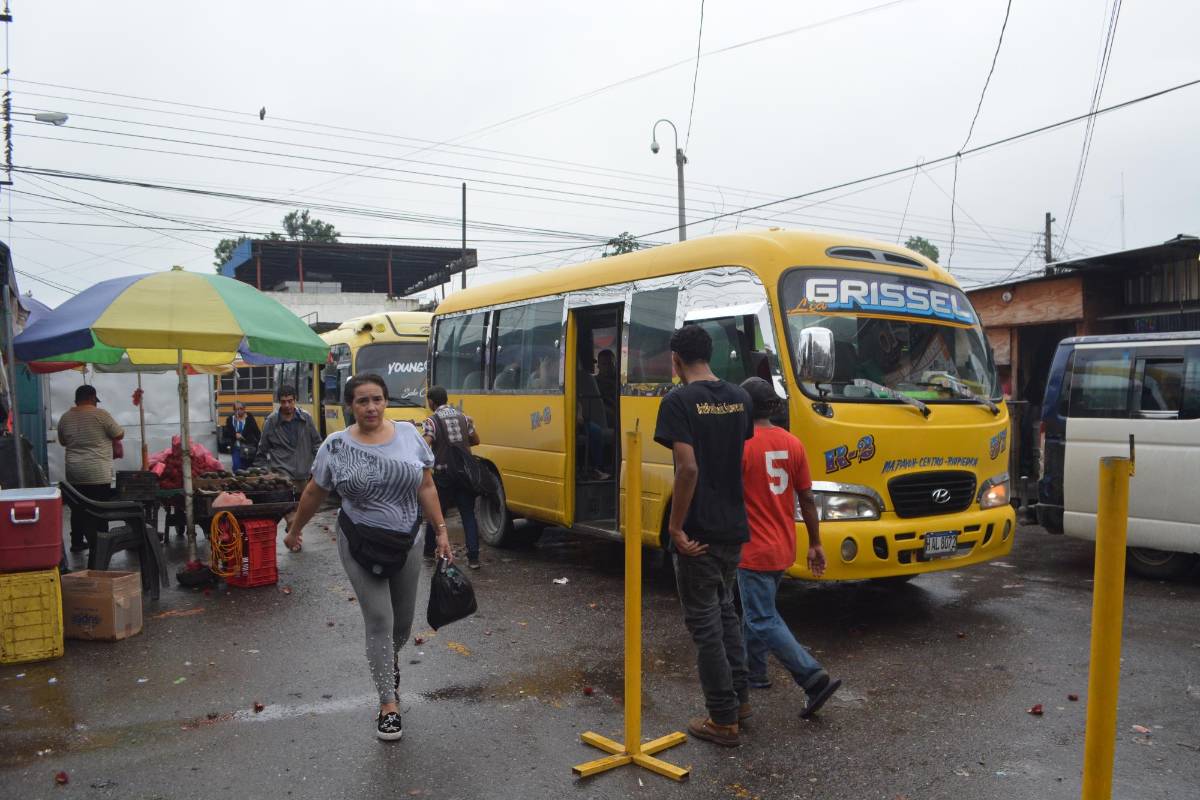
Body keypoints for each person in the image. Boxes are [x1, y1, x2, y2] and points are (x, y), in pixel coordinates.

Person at [285, 373, 453, 742]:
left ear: (385, 400)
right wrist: (295, 529)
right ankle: (388, 705)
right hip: (358, 540)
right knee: (379, 619)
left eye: (377, 399)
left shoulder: (409, 436)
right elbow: (315, 491)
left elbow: (426, 484)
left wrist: (441, 530)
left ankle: (385, 660)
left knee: (402, 626)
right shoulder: (336, 446)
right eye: (362, 401)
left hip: (406, 540)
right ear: (350, 406)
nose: (371, 407)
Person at [653, 324, 755, 748]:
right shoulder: (740, 397)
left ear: (676, 360)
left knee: (705, 624)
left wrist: (676, 527)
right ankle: (741, 701)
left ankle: (722, 718)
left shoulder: (678, 401)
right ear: (709, 356)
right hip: (733, 526)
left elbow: (688, 468)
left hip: (699, 531)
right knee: (727, 614)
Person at [737, 377, 842, 718]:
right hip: (784, 545)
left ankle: (812, 678)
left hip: (753, 548)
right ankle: (755, 673)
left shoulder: (741, 445)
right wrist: (815, 543)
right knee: (757, 611)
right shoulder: (793, 444)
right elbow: (807, 499)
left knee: (761, 616)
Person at [421, 386, 483, 570]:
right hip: (464, 474)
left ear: (431, 401)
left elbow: (425, 446)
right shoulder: (464, 418)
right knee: (468, 514)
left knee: (437, 513)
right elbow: (476, 440)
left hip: (443, 475)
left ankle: (429, 551)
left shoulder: (431, 421)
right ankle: (473, 558)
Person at [57, 385, 125, 553]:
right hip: (97, 472)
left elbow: (63, 441)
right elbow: (119, 434)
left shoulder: (65, 418)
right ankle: (102, 542)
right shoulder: (101, 414)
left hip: (74, 472)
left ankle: (77, 542)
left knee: (77, 508)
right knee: (100, 508)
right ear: (92, 397)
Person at [256, 386, 321, 494]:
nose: (287, 405)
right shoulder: (271, 422)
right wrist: (266, 472)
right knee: (287, 509)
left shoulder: (306, 418)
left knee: (305, 509)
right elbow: (262, 451)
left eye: (290, 401)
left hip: (304, 477)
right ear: (279, 402)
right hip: (281, 479)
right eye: (283, 402)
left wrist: (318, 468)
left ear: (295, 400)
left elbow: (317, 444)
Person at [577, 350, 609, 480]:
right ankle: (596, 468)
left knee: (596, 430)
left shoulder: (614, 380)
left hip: (582, 417)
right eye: (603, 363)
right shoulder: (579, 379)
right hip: (573, 418)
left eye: (609, 363)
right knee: (596, 431)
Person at [223, 401, 261, 472]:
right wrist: (235, 434)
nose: (239, 411)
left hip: (248, 447)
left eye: (241, 409)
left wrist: (259, 444)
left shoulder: (249, 418)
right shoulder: (230, 419)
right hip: (236, 447)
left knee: (247, 468)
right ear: (234, 410)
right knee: (236, 467)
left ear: (244, 409)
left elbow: (257, 432)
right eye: (236, 409)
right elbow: (226, 433)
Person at [595, 349, 618, 426]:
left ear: (615, 364)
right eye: (604, 364)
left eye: (610, 364)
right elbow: (597, 405)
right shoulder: (594, 383)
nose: (607, 367)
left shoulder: (620, 381)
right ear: (598, 366)